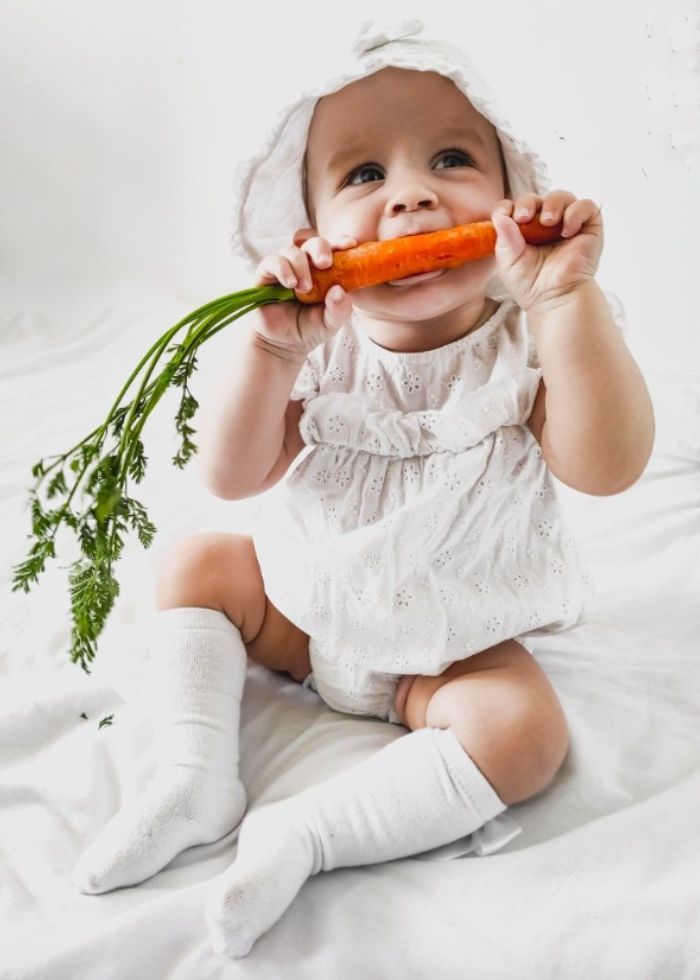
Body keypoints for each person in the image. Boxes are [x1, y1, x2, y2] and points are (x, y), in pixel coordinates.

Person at [72, 18, 655, 959]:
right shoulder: (315, 341)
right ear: (310, 236)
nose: (413, 197)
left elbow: (610, 464)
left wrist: (561, 302)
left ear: (512, 199)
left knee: (525, 733)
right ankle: (190, 776)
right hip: (306, 620)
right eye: (364, 176)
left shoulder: (529, 339)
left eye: (453, 159)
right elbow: (232, 478)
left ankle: (305, 834)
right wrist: (267, 350)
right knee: (194, 564)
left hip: (448, 653)